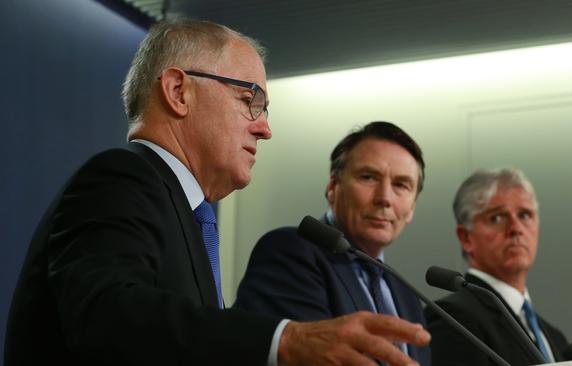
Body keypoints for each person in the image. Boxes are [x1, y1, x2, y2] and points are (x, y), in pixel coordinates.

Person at [4, 20, 430, 366]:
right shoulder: (122, 177)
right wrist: (286, 339)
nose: (264, 128)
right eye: (251, 99)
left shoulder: (190, 215)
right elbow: (108, 316)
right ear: (178, 91)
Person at [235, 121, 431, 364]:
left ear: (411, 208)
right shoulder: (290, 252)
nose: (385, 198)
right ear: (332, 188)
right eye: (368, 177)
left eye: (401, 185)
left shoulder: (406, 294)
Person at [427, 168, 572, 365]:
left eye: (525, 215)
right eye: (496, 218)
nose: (516, 228)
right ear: (466, 237)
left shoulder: (553, 337)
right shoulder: (454, 318)